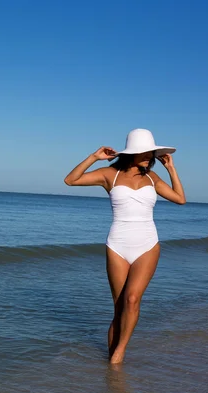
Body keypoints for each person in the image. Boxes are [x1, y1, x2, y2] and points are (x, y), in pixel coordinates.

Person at [63, 128, 186, 364]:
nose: (149, 156)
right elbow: (71, 180)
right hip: (117, 244)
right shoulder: (110, 175)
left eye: (152, 152)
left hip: (147, 244)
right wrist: (93, 157)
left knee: (132, 299)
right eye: (145, 152)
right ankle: (112, 364)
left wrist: (171, 169)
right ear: (131, 153)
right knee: (119, 308)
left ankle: (119, 353)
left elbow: (180, 198)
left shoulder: (152, 178)